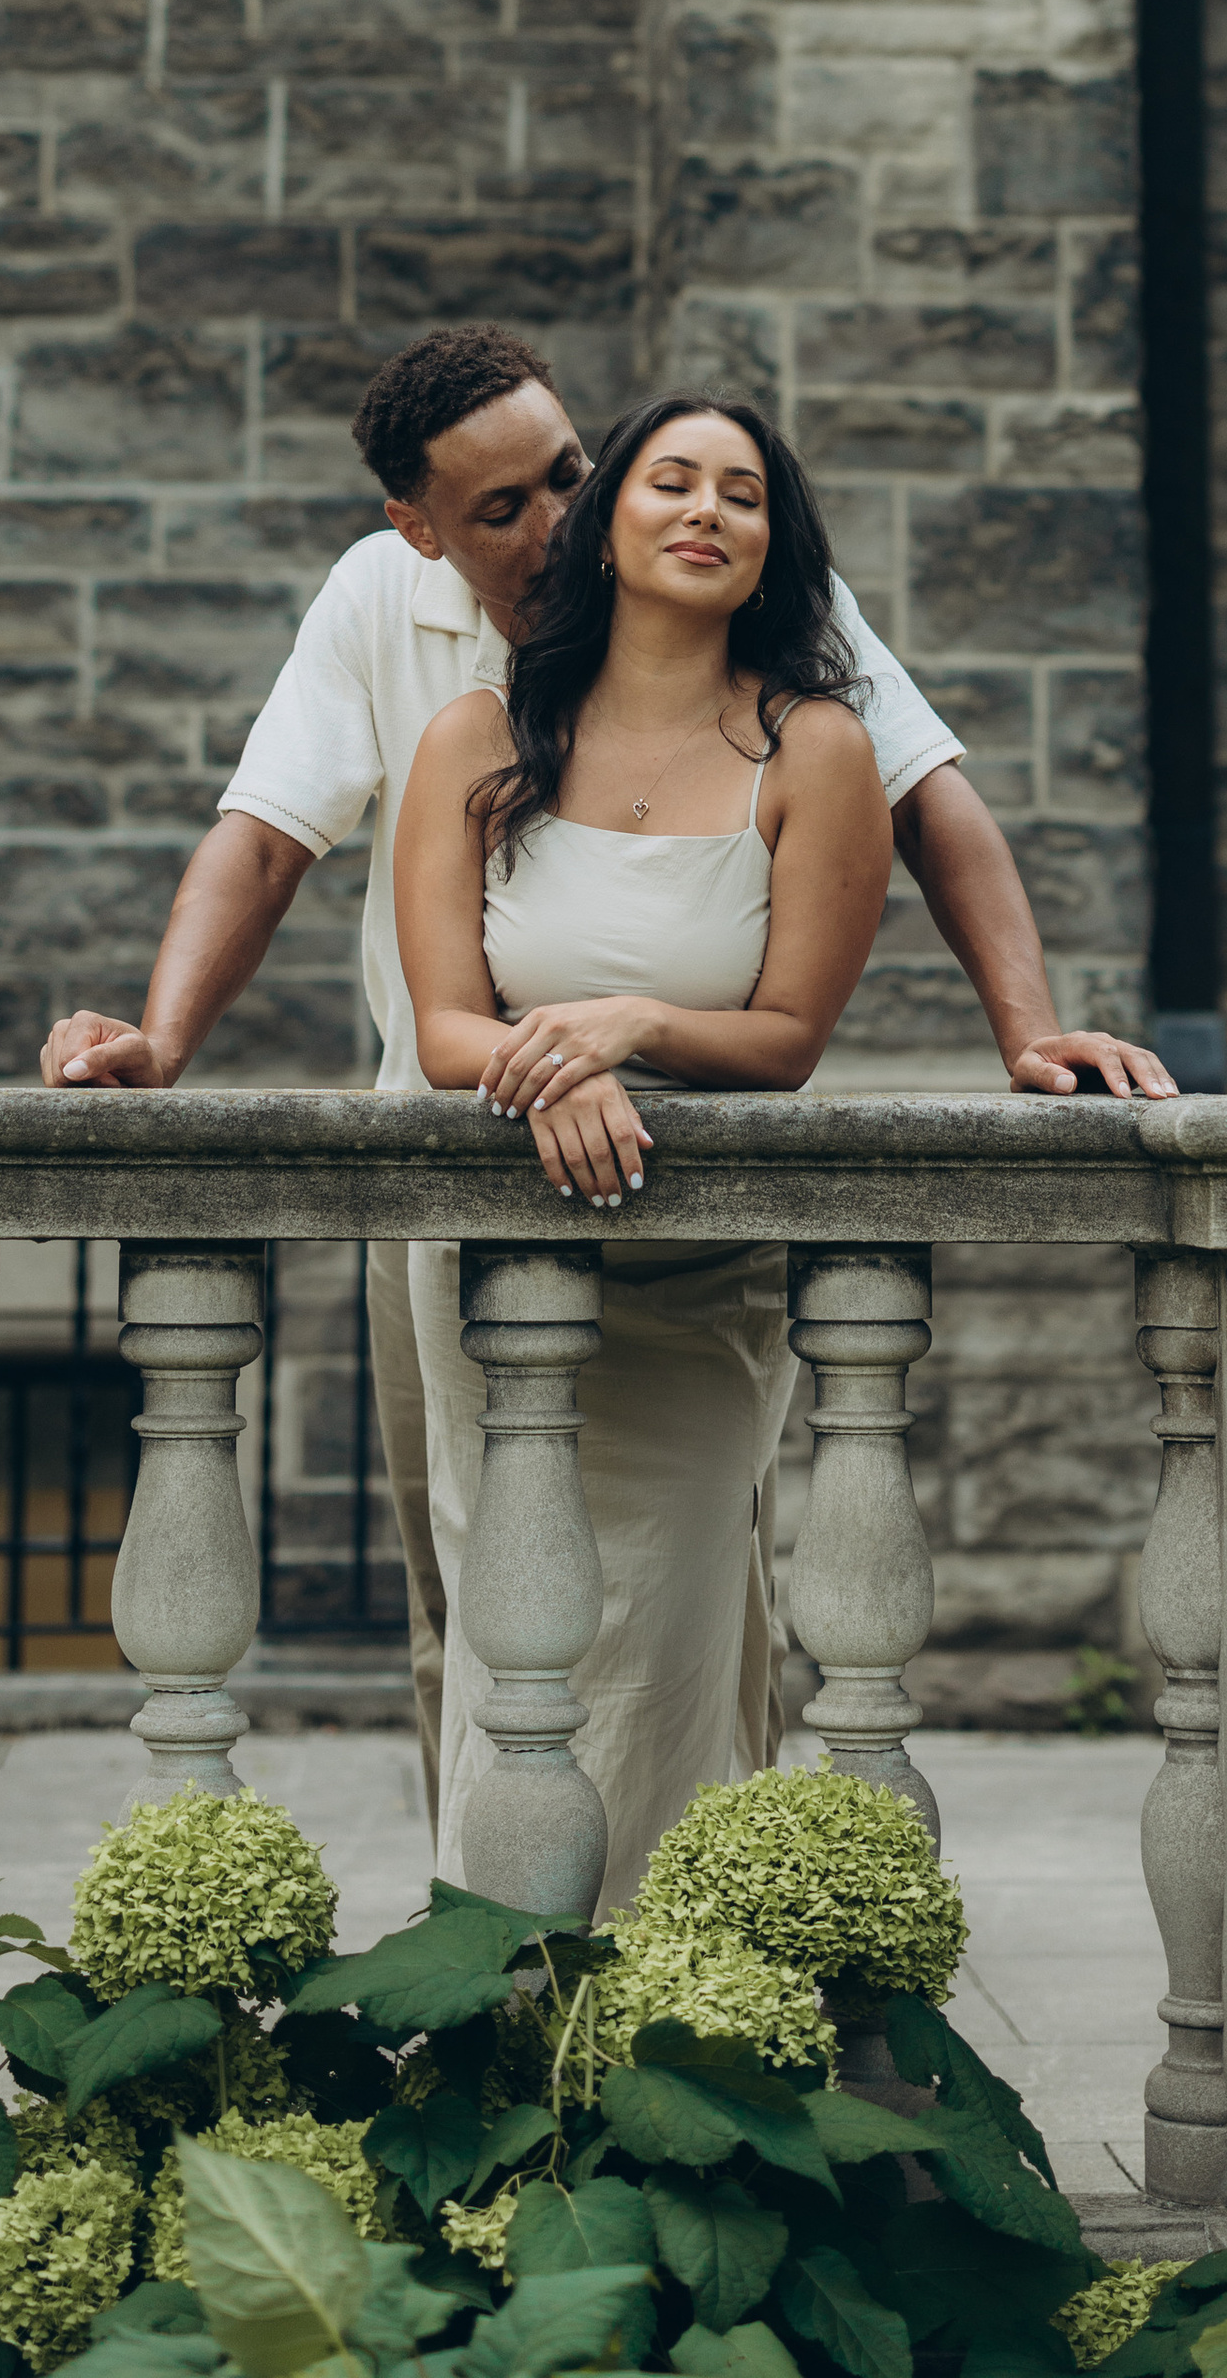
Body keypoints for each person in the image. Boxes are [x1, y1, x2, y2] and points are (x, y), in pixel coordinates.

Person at [38, 320, 1178, 1808]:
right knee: (466, 1594)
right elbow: (263, 836)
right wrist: (165, 1040)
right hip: (447, 1162)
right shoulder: (395, 623)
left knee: (704, 1606)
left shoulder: (753, 607)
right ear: (420, 527)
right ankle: (505, 1948)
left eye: (573, 472)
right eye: (504, 507)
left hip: (693, 1206)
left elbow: (930, 800)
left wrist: (1028, 1031)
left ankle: (717, 1939)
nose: (563, 519)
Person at [395, 388, 892, 1898]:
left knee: (665, 1630)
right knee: (512, 1639)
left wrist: (631, 1027)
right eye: (670, 481)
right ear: (607, 522)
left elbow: (787, 1038)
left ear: (772, 546)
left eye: (742, 495)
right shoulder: (478, 737)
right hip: (501, 1265)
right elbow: (444, 1029)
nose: (705, 512)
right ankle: (512, 2019)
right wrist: (552, 1075)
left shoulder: (814, 751)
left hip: (697, 1276)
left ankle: (673, 2024)